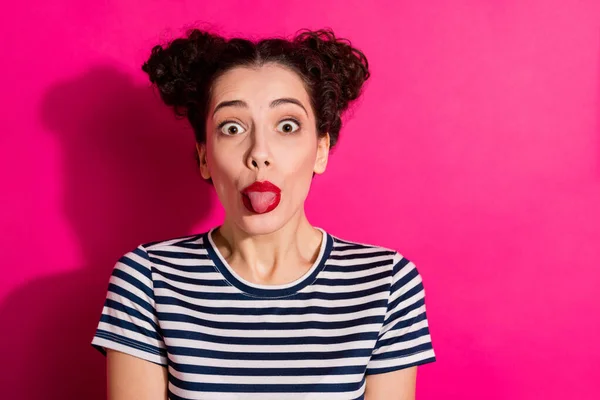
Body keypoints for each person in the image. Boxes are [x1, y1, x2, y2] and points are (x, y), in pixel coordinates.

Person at [91, 27, 436, 400]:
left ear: (320, 149)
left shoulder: (386, 284)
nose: (259, 153)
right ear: (205, 157)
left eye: (287, 126)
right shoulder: (147, 279)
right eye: (232, 127)